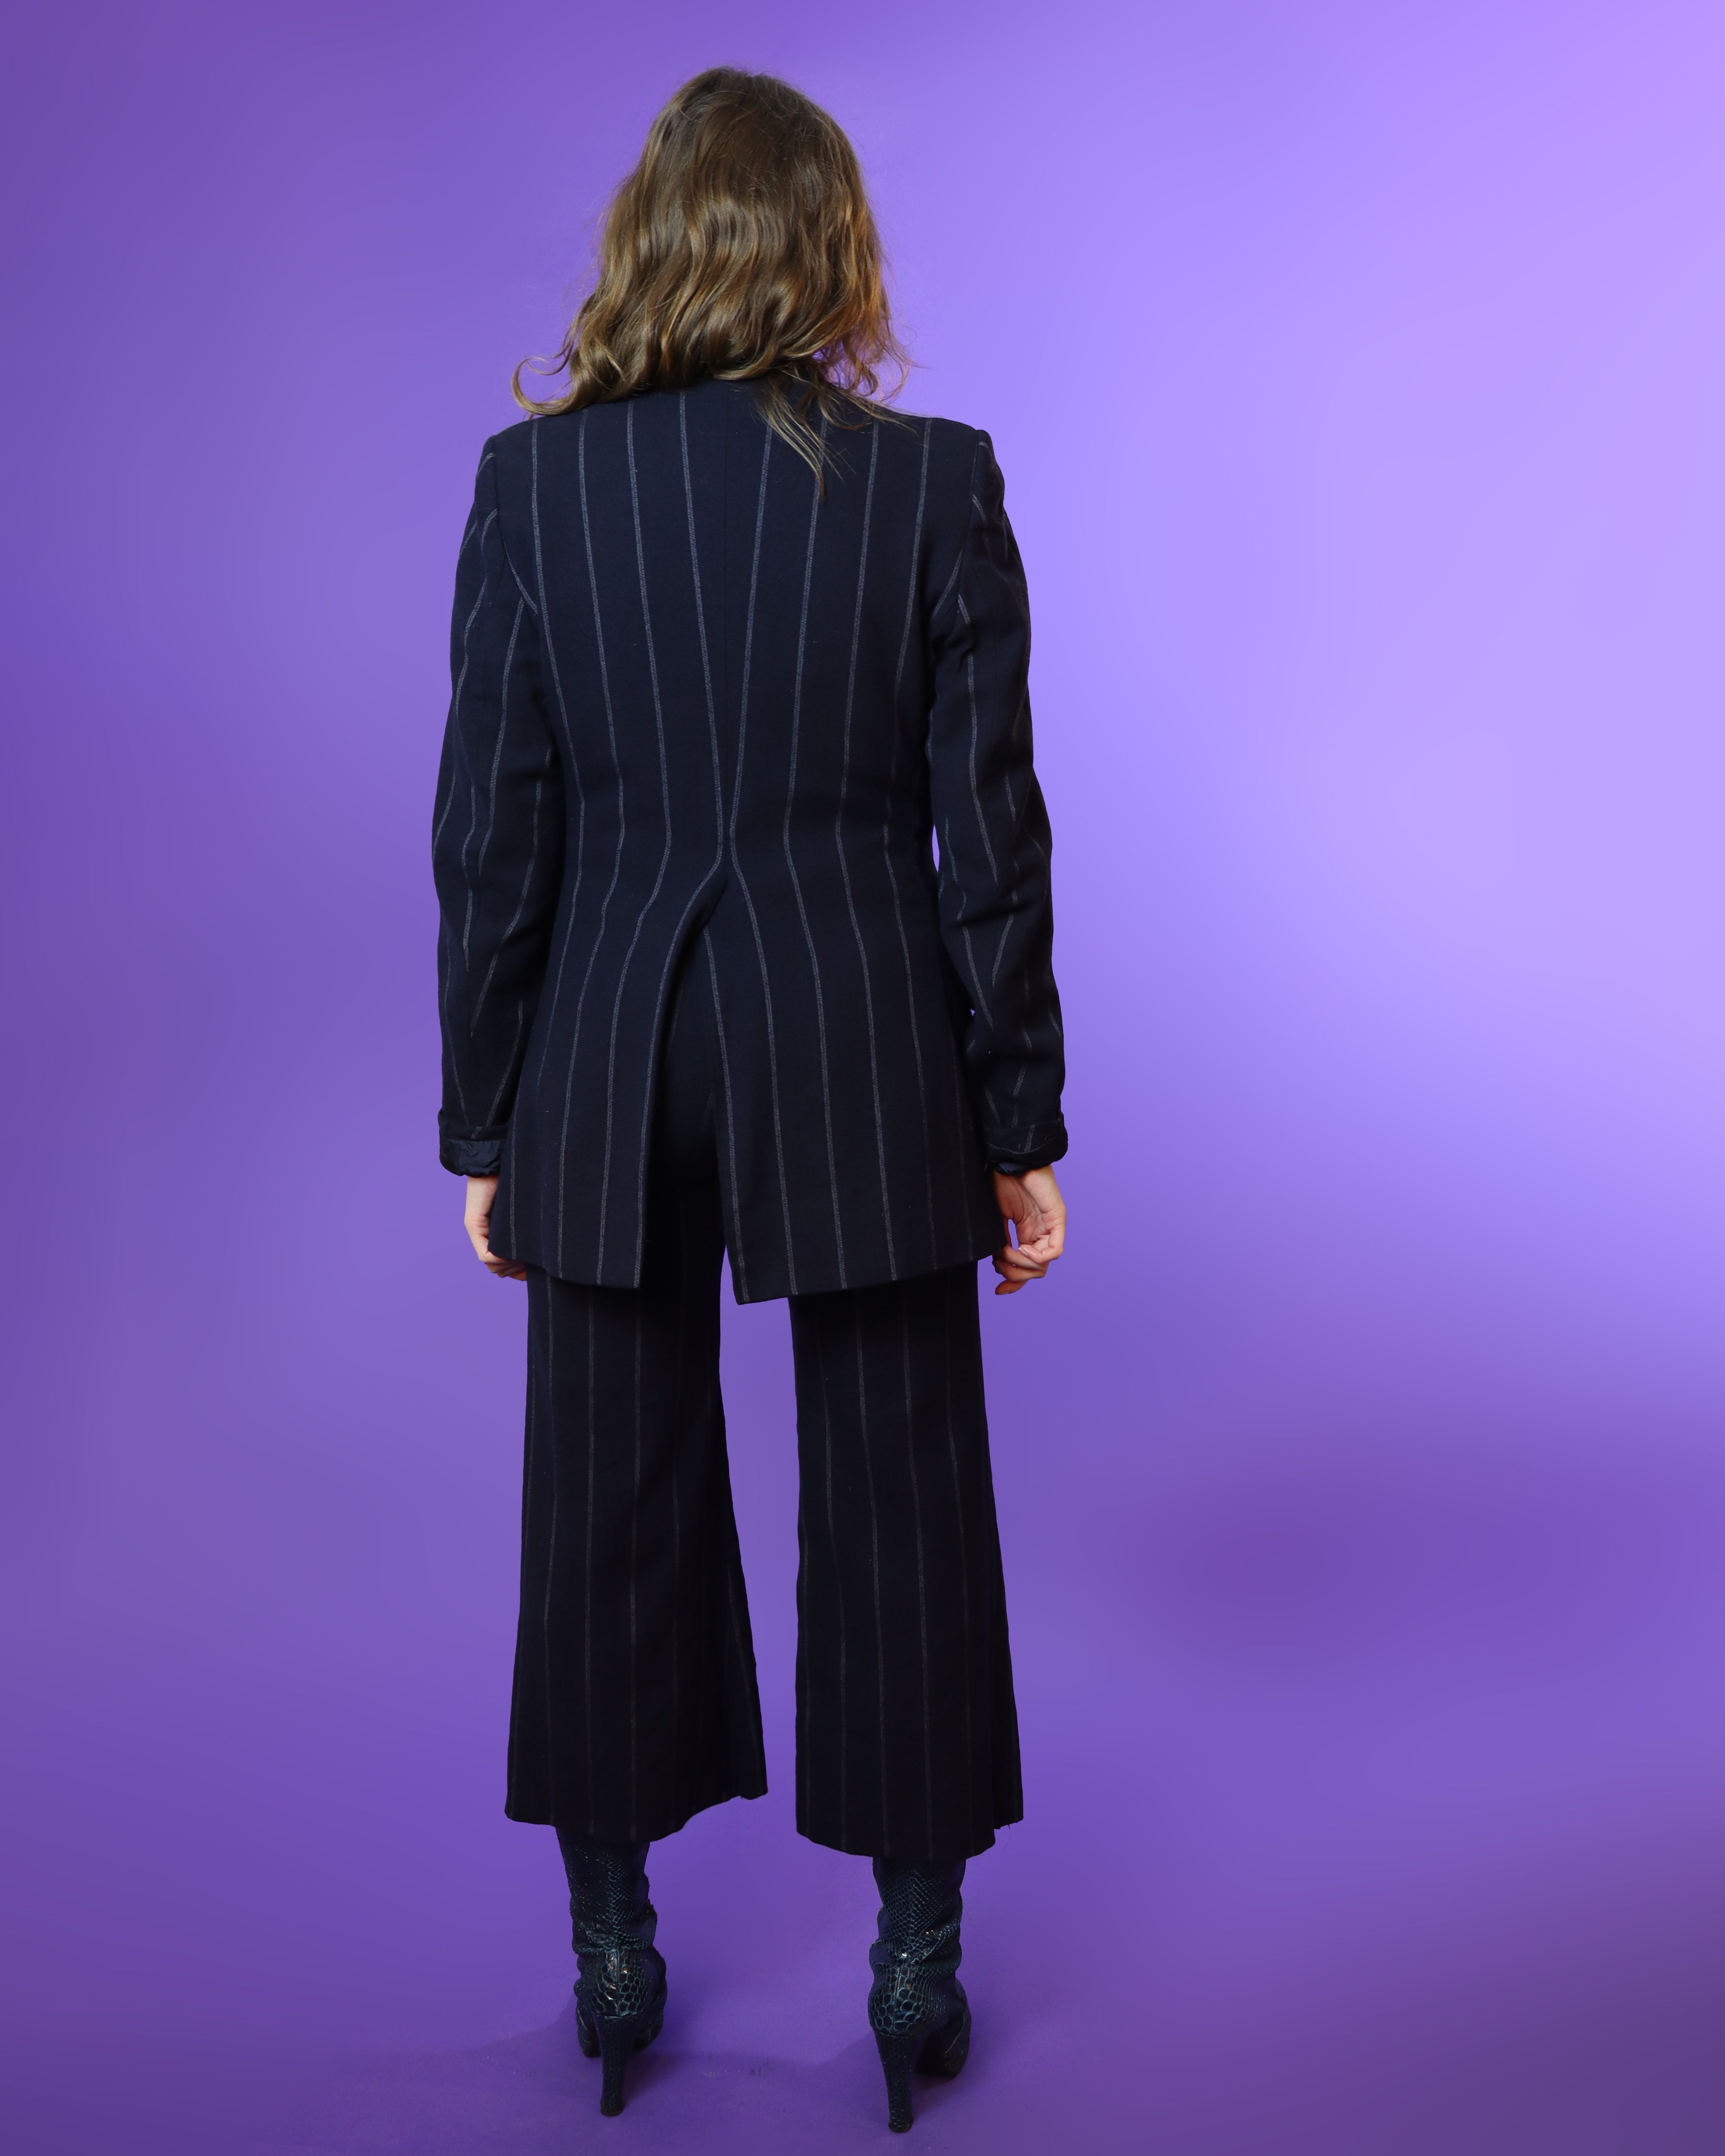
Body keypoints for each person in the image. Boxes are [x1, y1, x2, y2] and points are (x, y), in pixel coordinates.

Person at [431, 66, 1067, 2133]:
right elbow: (990, 842)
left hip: (608, 1049)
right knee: (901, 1494)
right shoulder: (932, 484)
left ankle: (613, 1957)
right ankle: (913, 1965)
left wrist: (484, 1122)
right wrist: (1018, 1124)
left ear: (653, 242)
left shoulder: (536, 491)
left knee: (600, 1498)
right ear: (833, 249)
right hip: (857, 1041)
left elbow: (494, 839)